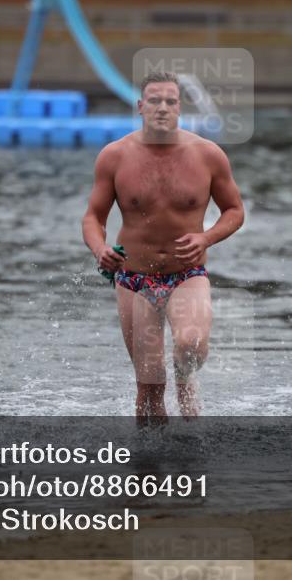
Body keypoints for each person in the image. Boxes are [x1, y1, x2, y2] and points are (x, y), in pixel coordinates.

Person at [82, 71, 244, 425]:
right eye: (154, 101)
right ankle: (148, 471)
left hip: (188, 274)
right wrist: (99, 250)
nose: (162, 108)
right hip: (133, 281)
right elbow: (93, 217)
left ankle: (186, 378)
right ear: (140, 107)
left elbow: (235, 210)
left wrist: (205, 238)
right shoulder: (114, 157)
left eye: (171, 101)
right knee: (150, 387)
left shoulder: (208, 155)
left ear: (180, 107)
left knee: (190, 344)